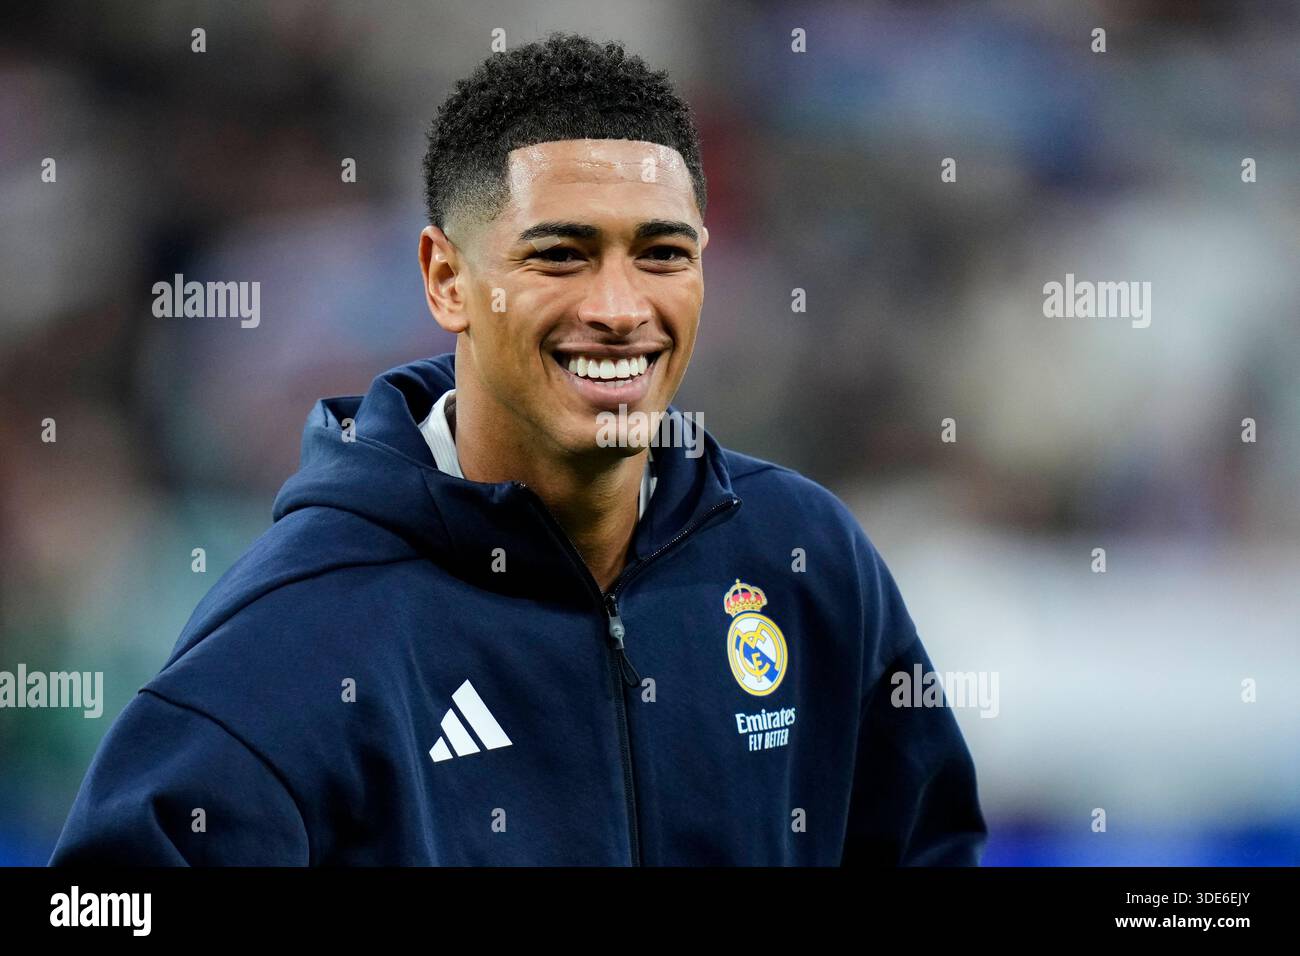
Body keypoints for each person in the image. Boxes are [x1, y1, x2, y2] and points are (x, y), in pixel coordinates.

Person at [49, 32, 986, 866]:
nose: (621, 311)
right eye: (560, 256)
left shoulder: (807, 560)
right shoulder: (293, 639)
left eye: (663, 253)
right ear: (447, 279)